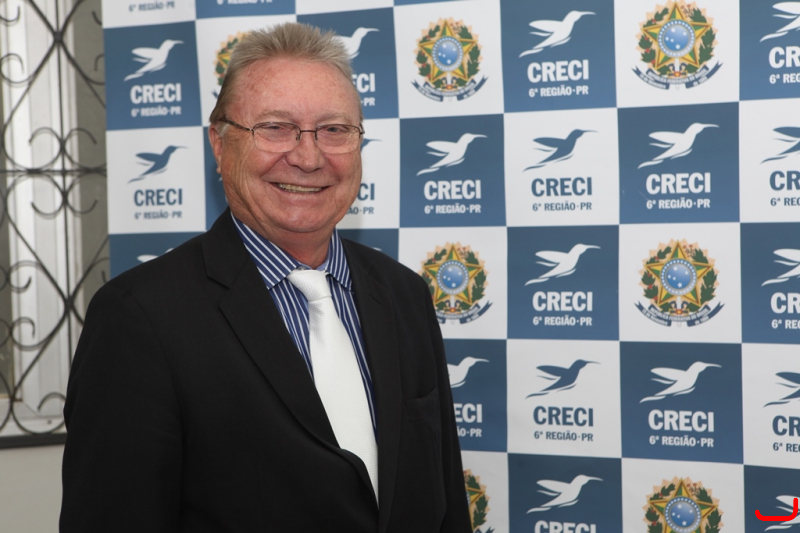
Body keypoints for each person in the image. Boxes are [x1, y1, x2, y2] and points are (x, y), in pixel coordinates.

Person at [60, 22, 471, 532]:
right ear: (219, 144)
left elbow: (444, 503)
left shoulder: (405, 294)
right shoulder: (138, 319)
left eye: (334, 130)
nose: (308, 157)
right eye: (275, 127)